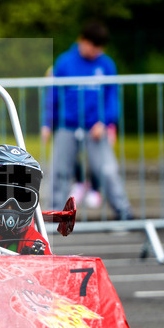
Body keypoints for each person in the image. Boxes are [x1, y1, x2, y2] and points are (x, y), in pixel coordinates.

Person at [41, 20, 133, 220]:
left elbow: (112, 97)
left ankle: (123, 212)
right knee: (59, 171)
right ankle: (56, 213)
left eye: (100, 47)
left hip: (96, 127)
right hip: (67, 125)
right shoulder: (64, 62)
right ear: (83, 41)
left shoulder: (106, 64)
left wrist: (106, 121)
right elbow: (52, 95)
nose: (96, 51)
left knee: (108, 171)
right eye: (94, 46)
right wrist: (47, 122)